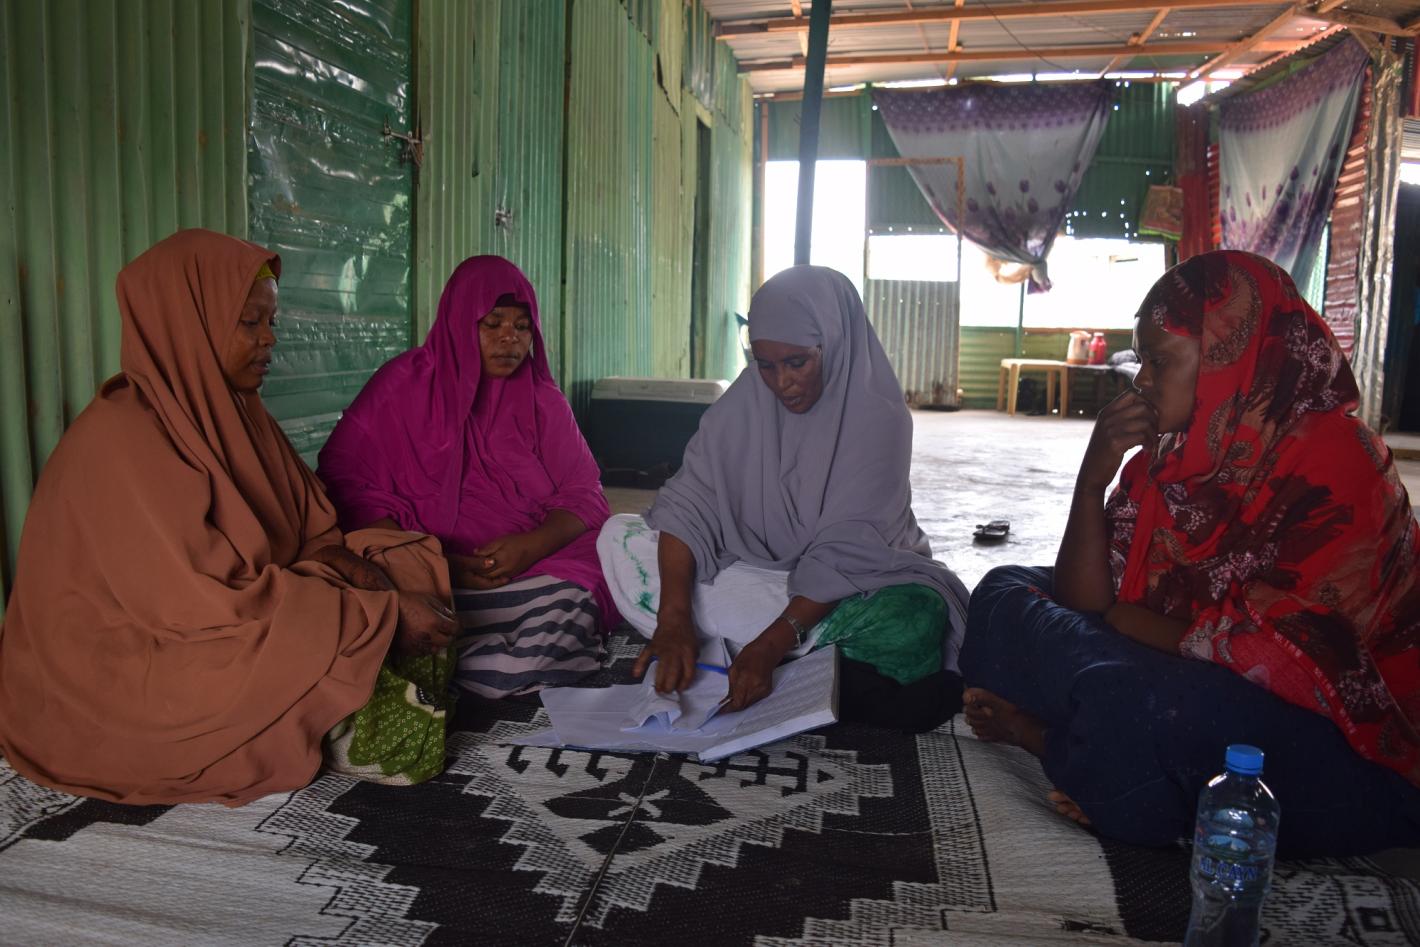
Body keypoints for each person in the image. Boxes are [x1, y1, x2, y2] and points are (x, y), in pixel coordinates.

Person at [961, 250, 1420, 857]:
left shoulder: (1338, 460)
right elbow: (1087, 600)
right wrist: (1091, 481)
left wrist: (1125, 621)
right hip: (1170, 661)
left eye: (1160, 361)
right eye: (1141, 360)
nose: (1142, 382)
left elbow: (1290, 658)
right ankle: (1104, 754)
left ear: (1233, 356)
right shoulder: (1174, 453)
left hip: (1338, 745)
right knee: (1003, 590)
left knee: (1152, 707)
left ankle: (1048, 737)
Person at [0, 230, 459, 806]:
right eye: (249, 322)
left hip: (248, 609)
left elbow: (314, 535)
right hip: (140, 657)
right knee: (404, 736)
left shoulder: (240, 417)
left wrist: (376, 584)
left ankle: (343, 697)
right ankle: (338, 707)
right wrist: (379, 615)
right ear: (187, 324)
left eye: (271, 322)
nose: (269, 339)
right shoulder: (120, 439)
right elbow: (199, 608)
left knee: (409, 561)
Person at [597, 265, 969, 730]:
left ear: (833, 343)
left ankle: (754, 644)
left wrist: (770, 646)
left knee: (916, 617)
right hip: (755, 576)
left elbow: (845, 550)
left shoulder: (879, 419)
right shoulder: (745, 402)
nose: (781, 382)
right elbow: (688, 502)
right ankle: (803, 662)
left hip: (840, 587)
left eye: (797, 363)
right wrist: (673, 616)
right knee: (618, 538)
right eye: (765, 364)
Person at [318, 256, 614, 699]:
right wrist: (439, 562)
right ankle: (500, 654)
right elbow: (343, 484)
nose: (509, 338)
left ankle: (447, 657)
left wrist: (530, 546)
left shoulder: (542, 400)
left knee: (613, 549)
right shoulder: (400, 386)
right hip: (425, 572)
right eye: (492, 324)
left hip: (527, 567)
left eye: (522, 327)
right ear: (458, 322)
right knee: (366, 563)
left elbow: (585, 494)